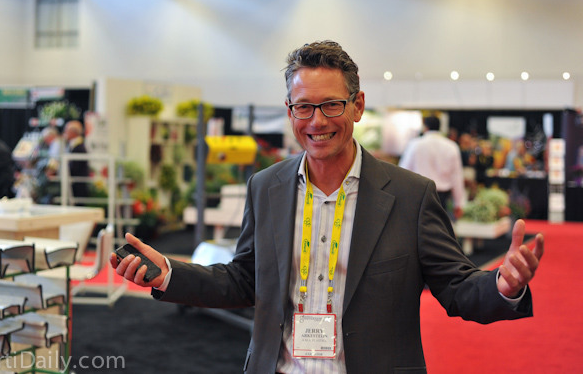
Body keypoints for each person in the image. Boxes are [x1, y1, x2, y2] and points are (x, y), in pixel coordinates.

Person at [111, 40, 544, 373]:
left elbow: (456, 288)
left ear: (357, 106)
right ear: (290, 111)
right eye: (303, 107)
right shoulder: (266, 187)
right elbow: (245, 280)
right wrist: (169, 272)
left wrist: (503, 286)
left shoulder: (410, 196)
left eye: (331, 104)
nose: (317, 121)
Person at [399, 115, 466, 221]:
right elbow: (456, 176)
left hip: (418, 194)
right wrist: (458, 204)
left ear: (425, 127)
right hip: (441, 197)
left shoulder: (415, 145)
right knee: (438, 227)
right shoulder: (451, 146)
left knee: (418, 226)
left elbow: (403, 172)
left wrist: (400, 196)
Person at [63, 120, 89, 201]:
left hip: (78, 185)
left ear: (73, 132)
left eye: (66, 130)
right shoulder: (74, 145)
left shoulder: (79, 147)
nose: (65, 133)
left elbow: (75, 167)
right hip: (74, 183)